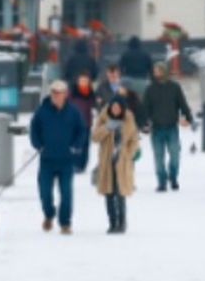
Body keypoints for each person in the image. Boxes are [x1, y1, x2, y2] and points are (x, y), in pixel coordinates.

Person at [30, 79, 87, 234]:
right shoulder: (42, 111)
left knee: (66, 194)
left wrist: (76, 145)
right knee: (44, 192)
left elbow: (82, 131)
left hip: (66, 160)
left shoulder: (74, 112)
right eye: (54, 92)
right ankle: (49, 214)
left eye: (59, 93)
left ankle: (65, 223)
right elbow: (34, 129)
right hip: (47, 160)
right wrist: (38, 144)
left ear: (65, 94)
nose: (56, 95)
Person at [141, 61, 194, 192]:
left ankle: (173, 177)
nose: (155, 72)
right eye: (154, 70)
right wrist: (143, 124)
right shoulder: (150, 89)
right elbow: (145, 109)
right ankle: (162, 182)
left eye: (158, 70)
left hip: (171, 128)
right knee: (159, 158)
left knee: (175, 155)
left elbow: (182, 103)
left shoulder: (174, 87)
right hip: (156, 128)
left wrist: (188, 117)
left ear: (164, 71)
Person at [92, 96, 139, 234]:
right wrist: (107, 127)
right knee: (109, 193)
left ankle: (122, 222)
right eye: (113, 107)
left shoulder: (129, 119)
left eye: (118, 107)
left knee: (120, 193)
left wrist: (127, 154)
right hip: (107, 162)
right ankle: (112, 222)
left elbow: (134, 140)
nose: (116, 110)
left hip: (122, 163)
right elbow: (94, 137)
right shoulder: (103, 118)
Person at [96, 63, 144, 128]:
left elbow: (136, 104)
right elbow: (97, 103)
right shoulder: (101, 87)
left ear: (119, 73)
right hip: (108, 121)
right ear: (107, 73)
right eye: (110, 72)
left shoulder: (127, 86)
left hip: (124, 121)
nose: (112, 75)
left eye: (114, 72)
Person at [68, 73, 97, 173]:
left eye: (86, 81)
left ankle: (82, 165)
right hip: (74, 123)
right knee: (75, 144)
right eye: (82, 81)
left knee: (85, 144)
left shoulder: (91, 93)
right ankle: (74, 164)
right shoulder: (72, 93)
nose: (84, 83)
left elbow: (94, 105)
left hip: (87, 122)